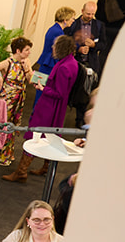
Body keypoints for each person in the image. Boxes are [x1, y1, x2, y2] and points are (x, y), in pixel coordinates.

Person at [12, 36, 79, 181]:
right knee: (52, 136)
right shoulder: (70, 63)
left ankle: (21, 172)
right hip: (56, 108)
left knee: (35, 134)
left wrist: (43, 88)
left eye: (55, 45)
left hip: (49, 107)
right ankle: (46, 168)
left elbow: (59, 93)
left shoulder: (64, 67)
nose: (52, 48)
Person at [0, 36, 39, 175]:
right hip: (7, 98)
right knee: (2, 123)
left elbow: (31, 80)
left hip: (19, 98)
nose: (29, 53)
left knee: (12, 125)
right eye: (27, 50)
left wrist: (28, 69)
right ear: (18, 51)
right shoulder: (8, 62)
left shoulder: (26, 62)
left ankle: (5, 154)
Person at [37, 7, 77, 81]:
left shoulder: (53, 28)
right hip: (50, 63)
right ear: (65, 20)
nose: (73, 21)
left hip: (47, 61)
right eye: (72, 18)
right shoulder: (58, 32)